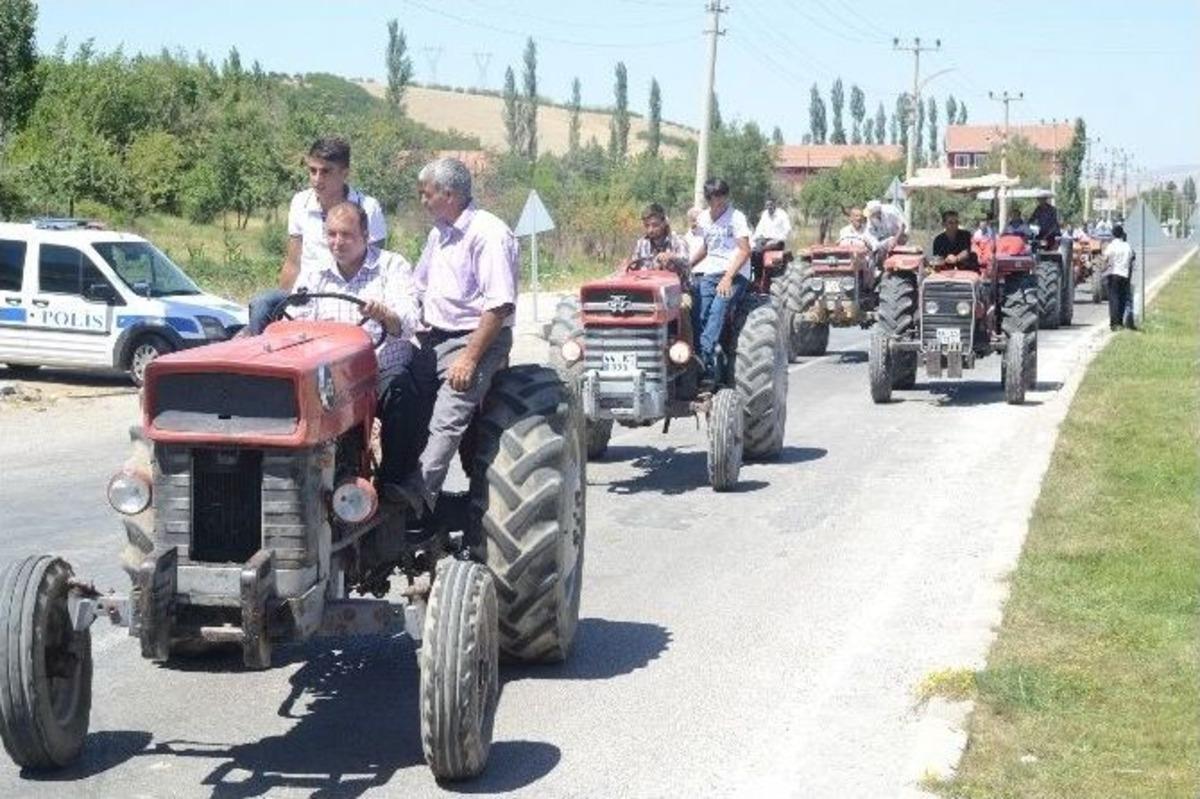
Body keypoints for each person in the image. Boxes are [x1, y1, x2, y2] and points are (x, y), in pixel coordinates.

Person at [392, 157, 519, 515]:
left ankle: (419, 492)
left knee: (447, 416)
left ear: (448, 194)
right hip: (434, 337)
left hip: (476, 339)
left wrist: (469, 358)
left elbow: (498, 307)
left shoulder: (489, 234)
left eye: (425, 194)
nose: (422, 201)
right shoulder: (440, 233)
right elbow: (418, 286)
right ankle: (386, 480)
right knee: (399, 394)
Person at [286, 202, 422, 485]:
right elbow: (296, 322)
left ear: (365, 234)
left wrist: (386, 315)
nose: (338, 242)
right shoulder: (313, 274)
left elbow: (409, 323)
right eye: (331, 234)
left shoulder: (391, 266)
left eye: (346, 235)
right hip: (329, 373)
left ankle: (394, 483)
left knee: (404, 399)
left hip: (379, 368)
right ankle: (297, 479)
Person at [247, 137, 387, 334]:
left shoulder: (368, 208)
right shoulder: (300, 203)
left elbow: (376, 264)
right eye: (312, 171)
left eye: (326, 171)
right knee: (261, 305)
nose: (317, 179)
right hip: (307, 293)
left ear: (344, 173)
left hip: (347, 293)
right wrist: (286, 304)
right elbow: (293, 262)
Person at [688, 178, 751, 384]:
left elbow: (744, 250)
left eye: (724, 196)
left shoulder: (736, 218)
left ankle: (703, 361)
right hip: (711, 272)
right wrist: (687, 265)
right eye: (717, 198)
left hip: (735, 273)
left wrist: (728, 277)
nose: (721, 201)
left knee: (718, 307)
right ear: (709, 199)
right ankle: (701, 354)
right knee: (698, 308)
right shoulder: (705, 218)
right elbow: (708, 247)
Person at [1103, 223, 1136, 331]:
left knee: (1114, 300)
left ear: (1113, 234)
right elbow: (1132, 257)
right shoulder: (1127, 246)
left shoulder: (1112, 245)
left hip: (1113, 275)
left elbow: (1105, 257)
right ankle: (1120, 322)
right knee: (1122, 299)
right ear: (1122, 234)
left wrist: (1103, 266)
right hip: (1125, 275)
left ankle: (1114, 324)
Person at [751, 197, 792, 269]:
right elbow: (759, 229)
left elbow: (787, 229)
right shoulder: (764, 214)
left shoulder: (782, 214)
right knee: (753, 251)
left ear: (774, 204)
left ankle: (760, 275)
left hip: (777, 241)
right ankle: (755, 274)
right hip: (764, 240)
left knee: (759, 251)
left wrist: (778, 239)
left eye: (770, 205)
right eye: (767, 205)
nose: (769, 207)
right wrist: (753, 241)